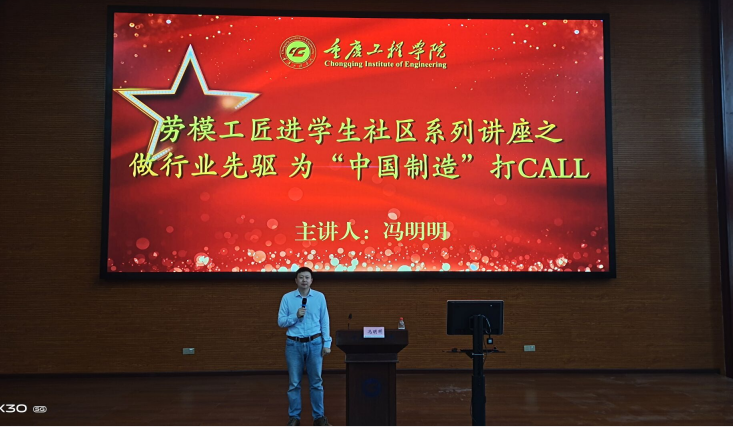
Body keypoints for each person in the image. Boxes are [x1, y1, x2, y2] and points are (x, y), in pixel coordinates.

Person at [278, 266, 332, 426]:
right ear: (296, 280)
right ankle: (294, 418)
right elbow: (281, 321)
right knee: (294, 383)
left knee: (316, 382)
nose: (304, 280)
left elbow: (325, 321)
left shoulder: (319, 297)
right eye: (301, 277)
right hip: (293, 344)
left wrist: (327, 343)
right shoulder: (287, 298)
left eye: (307, 277)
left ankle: (319, 418)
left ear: (311, 280)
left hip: (315, 343)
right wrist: (295, 316)